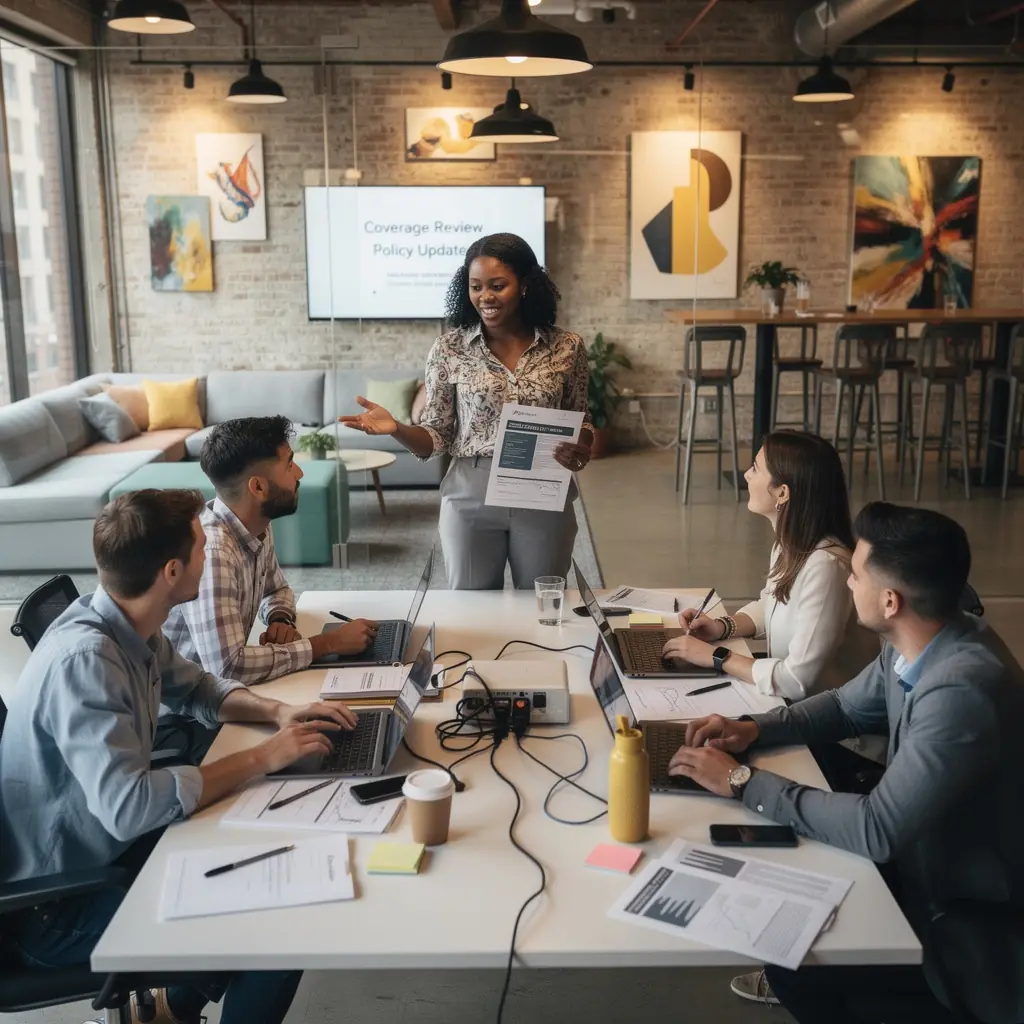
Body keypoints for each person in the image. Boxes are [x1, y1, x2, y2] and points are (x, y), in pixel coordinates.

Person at [0, 489, 357, 1024]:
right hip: (56, 909)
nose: (209, 552)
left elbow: (199, 691)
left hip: (108, 853)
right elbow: (132, 808)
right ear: (172, 570)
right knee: (281, 930)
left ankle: (170, 1009)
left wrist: (278, 713)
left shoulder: (123, 621)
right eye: (200, 545)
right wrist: (263, 757)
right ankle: (178, 1001)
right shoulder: (88, 662)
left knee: (265, 847)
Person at [667, 503, 1024, 1024]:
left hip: (961, 909)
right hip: (924, 855)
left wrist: (742, 779)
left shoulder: (961, 689)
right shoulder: (918, 639)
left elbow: (878, 828)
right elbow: (845, 707)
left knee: (797, 958)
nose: (847, 582)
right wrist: (754, 728)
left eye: (855, 575)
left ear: (890, 600)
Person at [338, 233, 593, 590]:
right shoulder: (449, 348)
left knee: (541, 606)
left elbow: (581, 420)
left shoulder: (567, 347)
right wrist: (396, 428)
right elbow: (436, 436)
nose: (485, 297)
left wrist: (581, 445)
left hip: (541, 491)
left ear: (524, 286)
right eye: (476, 286)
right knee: (471, 609)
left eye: (497, 285)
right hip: (471, 490)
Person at [664, 430, 878, 702]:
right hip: (796, 705)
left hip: (833, 730)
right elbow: (773, 604)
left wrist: (717, 656)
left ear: (782, 492)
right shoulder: (791, 544)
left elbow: (795, 680)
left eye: (755, 468)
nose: (746, 475)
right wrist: (721, 627)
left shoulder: (826, 567)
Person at [164, 415, 377, 684]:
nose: (299, 473)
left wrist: (280, 619)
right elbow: (228, 669)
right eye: (289, 465)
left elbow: (277, 589)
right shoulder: (213, 555)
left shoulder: (254, 522)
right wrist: (329, 643)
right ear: (258, 487)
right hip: (190, 717)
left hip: (222, 701)